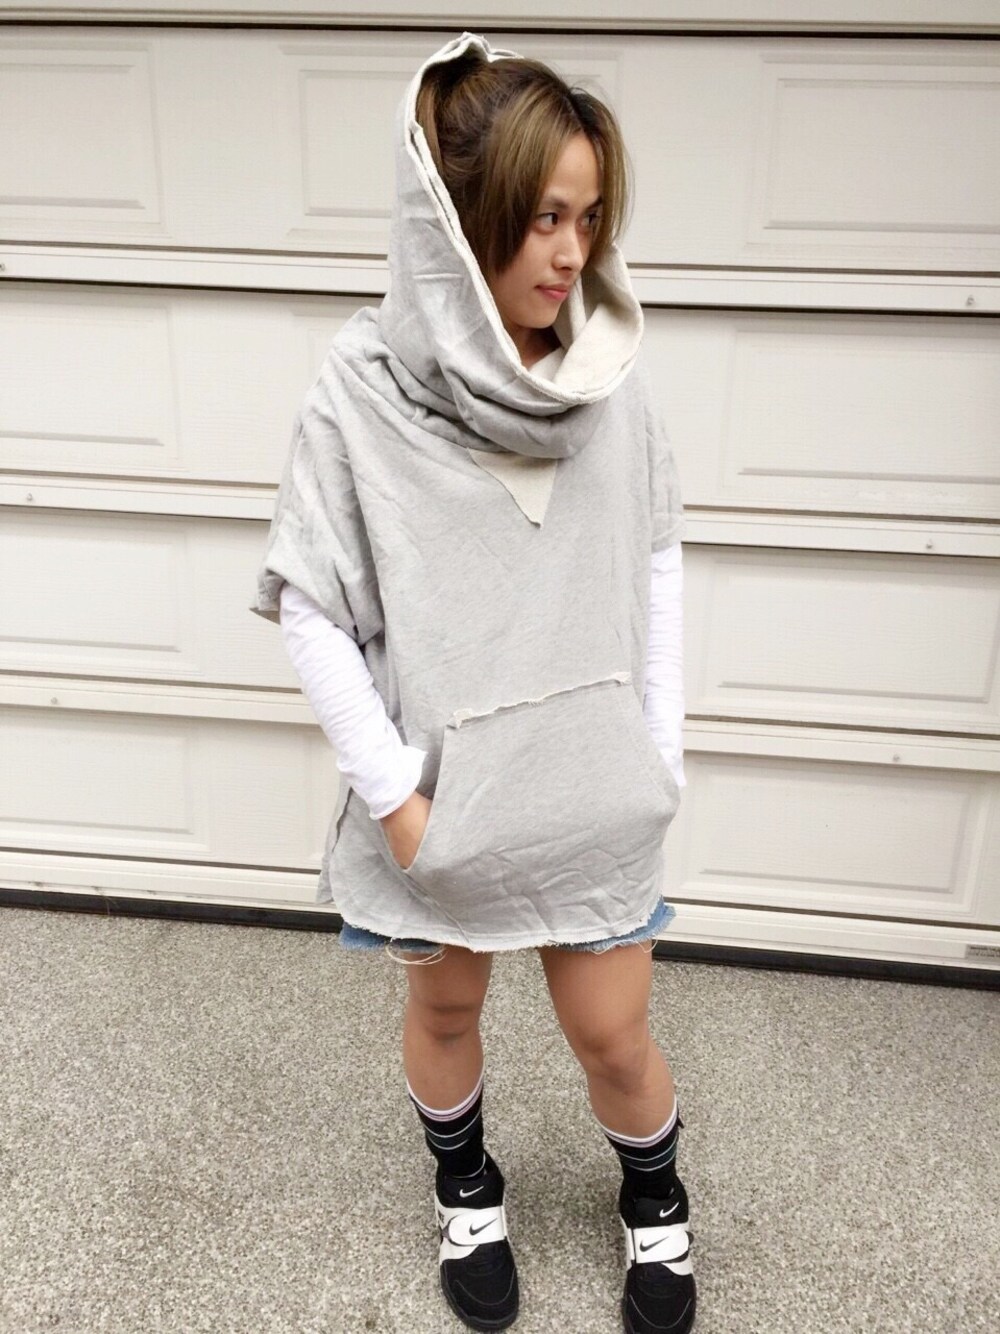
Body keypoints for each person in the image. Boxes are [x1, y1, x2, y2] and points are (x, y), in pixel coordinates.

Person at [251, 31, 695, 1334]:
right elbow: (313, 604)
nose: (572, 252)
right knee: (445, 1002)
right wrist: (397, 801)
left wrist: (660, 752)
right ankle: (467, 1186)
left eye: (590, 218)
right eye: (545, 216)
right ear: (458, 220)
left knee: (615, 1035)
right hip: (443, 806)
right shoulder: (361, 395)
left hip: (593, 791)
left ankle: (656, 1196)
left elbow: (655, 560)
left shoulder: (612, 380)